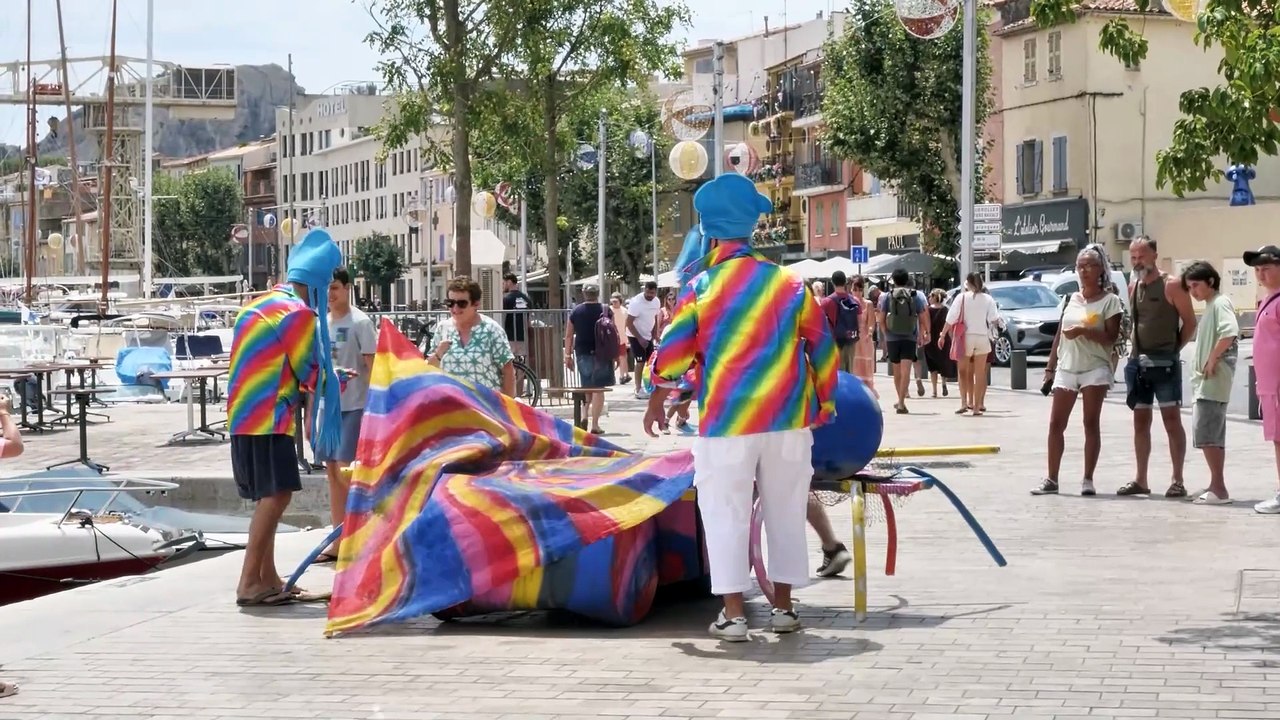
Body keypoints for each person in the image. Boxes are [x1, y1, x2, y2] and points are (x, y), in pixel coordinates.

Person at [645, 173, 837, 641]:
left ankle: (733, 614)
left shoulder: (701, 286)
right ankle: (785, 609)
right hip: (787, 419)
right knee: (787, 510)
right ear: (750, 227)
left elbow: (671, 357)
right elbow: (824, 348)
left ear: (710, 231)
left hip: (726, 422)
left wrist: (656, 398)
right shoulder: (789, 284)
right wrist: (825, 403)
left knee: (723, 511)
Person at [227, 228, 344, 607]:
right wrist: (334, 379)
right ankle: (249, 582)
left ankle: (269, 578)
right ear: (318, 282)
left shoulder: (259, 304)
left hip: (243, 415)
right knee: (276, 497)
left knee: (269, 494)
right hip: (269, 417)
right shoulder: (298, 313)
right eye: (326, 284)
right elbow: (309, 371)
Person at [1032, 245, 1124, 497]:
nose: (1083, 271)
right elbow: (1060, 336)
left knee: (1090, 422)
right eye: (1080, 266)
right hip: (1067, 366)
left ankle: (1087, 478)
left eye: (1089, 266)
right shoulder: (1072, 298)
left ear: (1100, 270)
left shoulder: (1110, 301)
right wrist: (1050, 368)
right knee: (1055, 424)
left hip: (1095, 367)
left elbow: (1110, 337)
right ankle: (1051, 478)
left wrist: (1084, 331)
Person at [1121, 236, 1196, 498]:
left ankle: (1177, 479)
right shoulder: (1134, 286)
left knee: (1171, 420)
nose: (1137, 261)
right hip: (1139, 365)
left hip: (1165, 364)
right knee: (1140, 422)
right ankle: (1140, 479)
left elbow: (1189, 322)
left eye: (1141, 256)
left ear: (1154, 255)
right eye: (1133, 257)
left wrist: (1174, 349)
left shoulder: (1172, 285)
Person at [312, 268, 377, 563]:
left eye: (335, 288)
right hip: (328, 408)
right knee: (331, 472)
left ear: (348, 288)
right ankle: (338, 538)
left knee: (346, 472)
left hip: (355, 406)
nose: (330, 294)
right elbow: (317, 370)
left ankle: (359, 537)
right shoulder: (320, 324)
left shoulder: (361, 323)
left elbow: (374, 369)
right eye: (326, 288)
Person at [1181, 261, 1239, 505]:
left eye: (1196, 285)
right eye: (1189, 287)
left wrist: (1213, 358)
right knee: (1211, 434)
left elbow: (1229, 331)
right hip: (1206, 381)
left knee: (1207, 434)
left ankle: (1219, 488)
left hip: (1213, 381)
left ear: (1210, 282)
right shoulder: (1211, 306)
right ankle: (1216, 484)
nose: (1193, 292)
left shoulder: (1220, 303)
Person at [429, 276, 515, 396]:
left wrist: (508, 408)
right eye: (450, 303)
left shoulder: (491, 330)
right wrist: (438, 354)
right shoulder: (442, 329)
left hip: (486, 407)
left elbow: (508, 370)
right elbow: (429, 371)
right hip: (451, 407)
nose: (455, 308)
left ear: (476, 304)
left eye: (461, 303)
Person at [1247, 246, 1280, 514]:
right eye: (1258, 270)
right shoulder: (1269, 299)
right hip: (1270, 386)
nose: (1261, 274)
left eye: (1266, 268)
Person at [941, 273, 1002, 416]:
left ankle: (963, 402)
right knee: (980, 373)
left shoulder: (961, 297)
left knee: (962, 372)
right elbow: (993, 318)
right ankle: (976, 406)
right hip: (982, 337)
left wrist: (942, 334)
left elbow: (951, 317)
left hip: (965, 337)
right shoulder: (988, 299)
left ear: (967, 283)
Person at [563, 284, 615, 434]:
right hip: (602, 353)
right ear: (598, 293)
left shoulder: (576, 311)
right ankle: (595, 425)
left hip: (582, 352)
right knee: (599, 389)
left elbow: (568, 335)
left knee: (587, 387)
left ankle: (585, 414)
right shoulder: (606, 310)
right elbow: (613, 333)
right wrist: (616, 355)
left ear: (584, 294)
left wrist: (567, 356)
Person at [878, 269, 929, 414]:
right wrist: (924, 333)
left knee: (896, 371)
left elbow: (881, 319)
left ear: (893, 280)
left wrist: (886, 333)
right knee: (906, 370)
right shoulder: (915, 295)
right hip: (909, 336)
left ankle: (899, 399)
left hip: (893, 337)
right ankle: (901, 402)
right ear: (907, 280)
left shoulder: (887, 296)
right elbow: (923, 316)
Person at [626, 281, 661, 399]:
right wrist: (639, 338)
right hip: (635, 335)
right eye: (648, 292)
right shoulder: (636, 303)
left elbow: (655, 317)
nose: (650, 295)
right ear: (644, 290)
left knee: (651, 362)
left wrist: (655, 334)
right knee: (640, 361)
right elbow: (629, 323)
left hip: (648, 335)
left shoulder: (656, 301)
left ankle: (650, 386)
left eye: (653, 292)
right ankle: (638, 388)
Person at [821, 270, 861, 374]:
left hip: (833, 342)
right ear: (845, 282)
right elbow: (859, 322)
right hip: (850, 340)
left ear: (832, 282)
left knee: (835, 374)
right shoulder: (854, 301)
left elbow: (820, 323)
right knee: (849, 372)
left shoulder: (826, 302)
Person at [923, 289, 955, 398]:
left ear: (935, 297)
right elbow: (949, 326)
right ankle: (944, 383)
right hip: (943, 340)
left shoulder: (928, 310)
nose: (929, 298)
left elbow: (924, 323)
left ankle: (934, 391)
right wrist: (951, 339)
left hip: (931, 340)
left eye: (930, 296)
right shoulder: (946, 310)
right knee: (943, 363)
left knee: (932, 367)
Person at [852, 278, 879, 394]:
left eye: (859, 290)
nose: (857, 292)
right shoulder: (849, 302)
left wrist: (870, 332)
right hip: (853, 338)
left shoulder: (868, 304)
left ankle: (868, 392)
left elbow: (872, 322)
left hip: (864, 338)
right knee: (854, 365)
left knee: (866, 366)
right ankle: (856, 391)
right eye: (855, 289)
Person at [501, 273, 533, 358]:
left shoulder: (506, 299)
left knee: (511, 363)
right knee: (521, 364)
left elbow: (502, 318)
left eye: (503, 283)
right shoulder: (527, 299)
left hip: (510, 337)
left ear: (509, 282)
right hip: (523, 337)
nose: (503, 286)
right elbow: (529, 320)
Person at [609, 293, 631, 384]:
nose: (614, 303)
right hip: (611, 338)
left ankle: (622, 376)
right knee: (611, 358)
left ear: (620, 301)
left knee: (623, 357)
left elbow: (627, 325)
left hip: (622, 337)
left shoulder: (625, 311)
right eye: (612, 301)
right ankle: (611, 376)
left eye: (616, 301)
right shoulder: (609, 310)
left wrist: (627, 338)